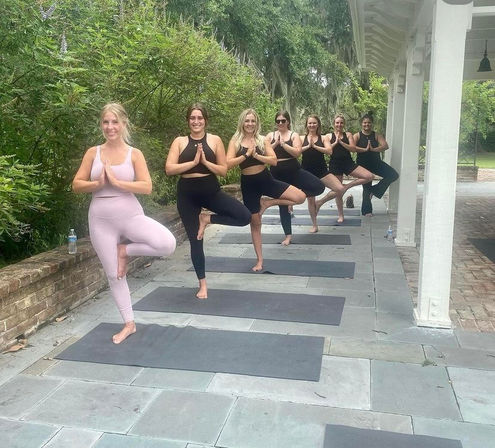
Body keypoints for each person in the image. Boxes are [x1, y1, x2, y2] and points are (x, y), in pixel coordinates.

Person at [72, 103, 176, 344]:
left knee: (167, 243)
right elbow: (76, 184)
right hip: (100, 220)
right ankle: (129, 323)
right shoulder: (93, 153)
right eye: (106, 122)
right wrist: (97, 184)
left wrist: (118, 183)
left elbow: (146, 186)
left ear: (124, 124)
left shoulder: (134, 153)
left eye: (115, 122)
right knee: (114, 275)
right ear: (101, 125)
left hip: (130, 215)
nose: (110, 127)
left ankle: (124, 250)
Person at [165, 103, 251, 299]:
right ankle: (202, 284)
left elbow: (222, 170)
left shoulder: (214, 140)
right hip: (187, 195)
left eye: (199, 118)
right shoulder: (179, 141)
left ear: (205, 120)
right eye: (192, 118)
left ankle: (207, 219)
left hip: (211, 191)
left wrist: (204, 162)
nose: (196, 121)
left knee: (244, 216)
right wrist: (193, 163)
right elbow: (169, 169)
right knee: (196, 240)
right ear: (188, 120)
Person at [227, 109, 305, 271]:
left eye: (253, 121)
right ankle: (259, 261)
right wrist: (246, 155)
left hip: (266, 179)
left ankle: (268, 203)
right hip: (248, 184)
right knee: (255, 224)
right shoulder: (235, 140)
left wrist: (257, 156)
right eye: (247, 121)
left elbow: (274, 161)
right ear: (242, 122)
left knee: (300, 197)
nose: (250, 124)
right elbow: (227, 164)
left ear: (257, 123)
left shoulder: (263, 139)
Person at [265, 111, 325, 245]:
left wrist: (284, 144)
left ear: (288, 122)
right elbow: (264, 152)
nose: (280, 123)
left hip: (293, 170)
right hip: (277, 173)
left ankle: (293, 197)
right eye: (278, 121)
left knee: (319, 186)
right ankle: (288, 236)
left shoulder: (293, 135)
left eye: (283, 120)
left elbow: (297, 153)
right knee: (283, 205)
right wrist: (275, 144)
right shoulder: (270, 135)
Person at [324, 114, 374, 223]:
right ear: (334, 124)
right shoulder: (328, 136)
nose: (339, 125)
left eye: (341, 123)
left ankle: (347, 186)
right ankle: (341, 215)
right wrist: (335, 142)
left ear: (344, 124)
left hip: (348, 163)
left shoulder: (348, 134)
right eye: (337, 123)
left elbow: (352, 149)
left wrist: (341, 142)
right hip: (335, 164)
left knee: (369, 176)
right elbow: (328, 150)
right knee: (338, 192)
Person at [301, 114, 345, 233]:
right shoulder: (301, 138)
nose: (312, 125)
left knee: (340, 188)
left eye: (314, 123)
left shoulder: (323, 137)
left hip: (322, 171)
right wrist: (308, 146)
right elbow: (297, 152)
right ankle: (314, 225)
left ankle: (320, 202)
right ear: (306, 125)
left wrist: (314, 146)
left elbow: (329, 151)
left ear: (318, 125)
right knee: (310, 199)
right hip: (307, 172)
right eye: (310, 123)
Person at [353, 113, 399, 216]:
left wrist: (374, 149)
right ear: (361, 124)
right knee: (366, 187)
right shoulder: (357, 135)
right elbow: (352, 147)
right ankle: (367, 211)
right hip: (363, 164)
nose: (367, 125)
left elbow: (385, 146)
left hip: (376, 162)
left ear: (372, 124)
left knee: (393, 175)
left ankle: (374, 190)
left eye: (369, 123)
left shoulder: (376, 135)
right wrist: (364, 150)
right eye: (365, 123)